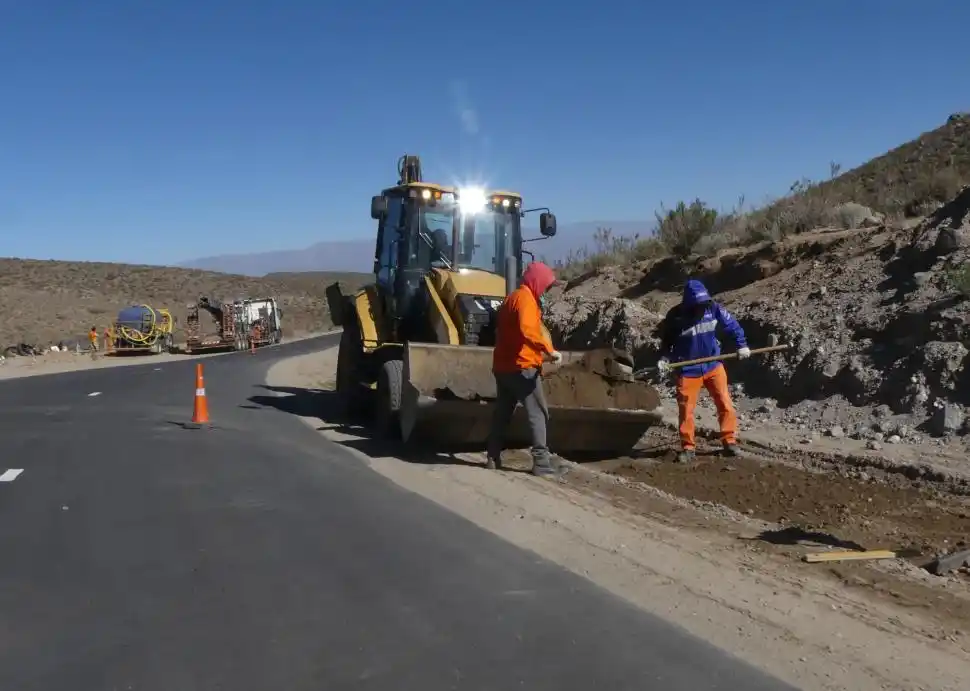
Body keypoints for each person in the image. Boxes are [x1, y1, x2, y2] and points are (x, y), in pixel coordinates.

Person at [657, 279, 750, 463]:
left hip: (713, 365)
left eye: (703, 303)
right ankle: (688, 447)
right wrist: (664, 358)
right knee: (686, 411)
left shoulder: (713, 308)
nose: (701, 308)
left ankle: (729, 441)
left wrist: (742, 345)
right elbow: (667, 341)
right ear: (689, 303)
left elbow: (732, 325)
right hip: (687, 369)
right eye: (697, 305)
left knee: (725, 403)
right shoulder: (675, 317)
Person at [487, 261, 563, 476]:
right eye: (546, 285)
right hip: (522, 368)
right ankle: (541, 463)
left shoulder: (511, 298)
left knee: (502, 413)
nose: (546, 290)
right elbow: (528, 331)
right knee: (538, 413)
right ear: (536, 281)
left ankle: (492, 456)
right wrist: (549, 350)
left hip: (503, 366)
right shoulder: (526, 300)